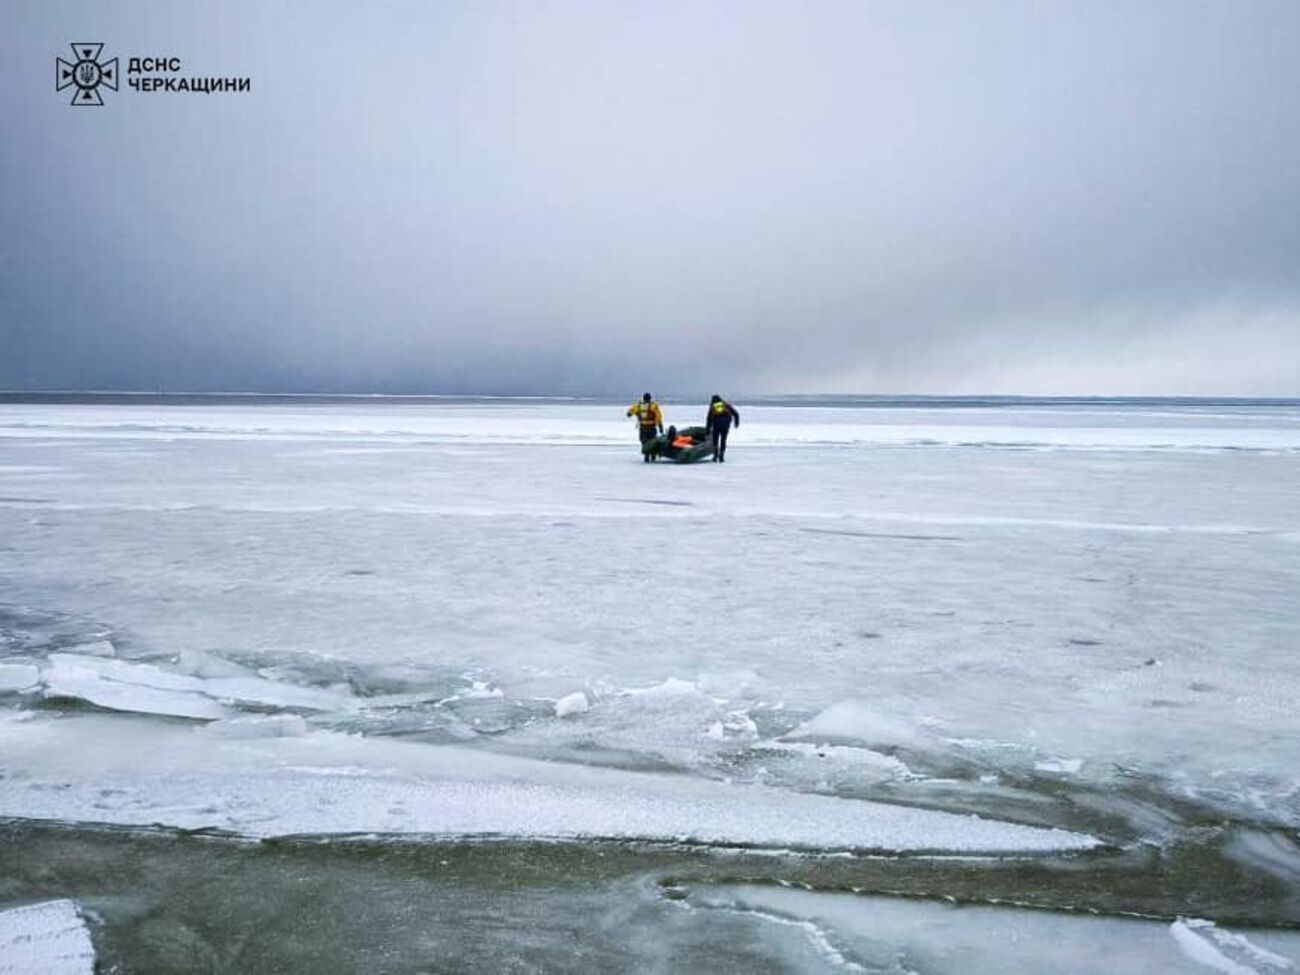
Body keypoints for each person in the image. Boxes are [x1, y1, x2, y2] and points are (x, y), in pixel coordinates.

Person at [627, 392, 664, 462]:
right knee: (652, 441)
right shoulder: (653, 406)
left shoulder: (639, 405)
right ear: (650, 398)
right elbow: (659, 416)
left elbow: (631, 411)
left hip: (644, 427)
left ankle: (647, 455)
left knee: (644, 441)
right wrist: (660, 426)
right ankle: (652, 455)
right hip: (651, 427)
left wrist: (629, 413)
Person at [705, 394, 740, 462]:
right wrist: (736, 423)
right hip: (725, 426)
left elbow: (708, 419)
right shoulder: (726, 405)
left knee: (715, 441)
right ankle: (721, 456)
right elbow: (736, 414)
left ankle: (715, 456)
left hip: (716, 426)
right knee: (723, 440)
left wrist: (707, 430)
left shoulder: (713, 407)